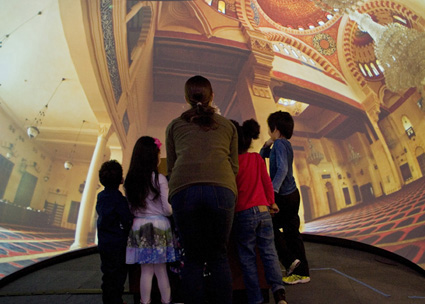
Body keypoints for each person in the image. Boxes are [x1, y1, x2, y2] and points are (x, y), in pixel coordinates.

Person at [166, 75, 238, 304]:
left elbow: (171, 166)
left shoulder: (174, 126)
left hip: (183, 190)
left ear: (186, 98)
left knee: (193, 257)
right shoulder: (227, 125)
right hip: (221, 189)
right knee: (218, 256)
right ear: (212, 96)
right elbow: (234, 167)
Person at [231, 119, 288, 304]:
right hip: (264, 212)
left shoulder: (232, 164)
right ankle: (279, 293)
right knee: (269, 253)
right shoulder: (256, 158)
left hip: (243, 214)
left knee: (247, 258)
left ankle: (256, 299)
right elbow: (266, 183)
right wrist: (272, 203)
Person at [124, 136, 179, 304]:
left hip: (139, 226)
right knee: (162, 270)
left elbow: (132, 209)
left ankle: (144, 302)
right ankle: (166, 301)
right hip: (160, 227)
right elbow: (168, 209)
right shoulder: (160, 179)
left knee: (145, 271)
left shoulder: (130, 181)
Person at [260, 111, 310, 285]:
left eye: (269, 128)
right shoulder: (283, 144)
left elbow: (281, 170)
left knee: (267, 227)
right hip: (292, 195)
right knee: (291, 233)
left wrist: (271, 192)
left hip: (284, 197)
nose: (268, 131)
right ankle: (302, 272)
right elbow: (262, 157)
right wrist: (267, 144)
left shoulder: (280, 145)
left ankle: (290, 262)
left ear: (275, 128)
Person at [96, 160, 133, 304]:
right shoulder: (120, 199)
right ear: (121, 179)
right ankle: (117, 300)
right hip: (118, 244)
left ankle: (108, 300)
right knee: (118, 276)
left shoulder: (101, 196)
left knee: (107, 274)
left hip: (104, 243)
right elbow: (127, 219)